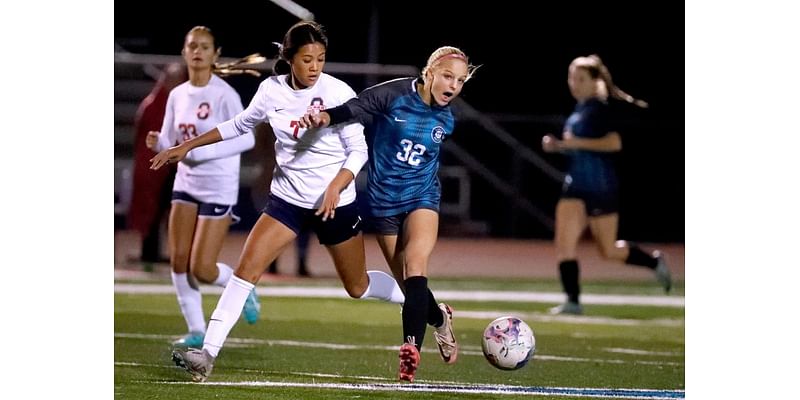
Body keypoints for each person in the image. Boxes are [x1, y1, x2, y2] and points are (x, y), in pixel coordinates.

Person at [150, 21, 405, 382]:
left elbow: (358, 149)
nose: (315, 66)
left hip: (336, 202)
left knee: (358, 287)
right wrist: (186, 145)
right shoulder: (271, 91)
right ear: (289, 58)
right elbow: (238, 125)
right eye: (307, 59)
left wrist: (336, 185)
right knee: (244, 273)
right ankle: (206, 354)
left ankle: (415, 302)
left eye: (321, 58)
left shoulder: (338, 92)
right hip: (286, 200)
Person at [299, 45, 480, 382]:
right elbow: (356, 107)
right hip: (383, 204)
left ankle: (409, 349)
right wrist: (325, 117)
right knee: (409, 284)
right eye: (447, 76)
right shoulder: (395, 94)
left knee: (415, 265)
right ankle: (440, 320)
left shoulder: (447, 118)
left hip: (422, 197)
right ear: (429, 73)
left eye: (459, 80)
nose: (453, 85)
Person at [145, 26, 261, 349]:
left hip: (218, 186)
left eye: (204, 47)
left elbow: (248, 137)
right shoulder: (177, 94)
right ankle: (196, 329)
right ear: (184, 52)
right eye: (192, 46)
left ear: (215, 54)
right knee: (178, 260)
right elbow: (172, 143)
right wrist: (159, 144)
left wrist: (201, 151)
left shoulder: (225, 95)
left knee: (202, 268)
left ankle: (244, 287)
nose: (197, 51)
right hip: (186, 182)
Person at [541, 54, 672, 315]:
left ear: (595, 81)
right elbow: (578, 148)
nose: (574, 84)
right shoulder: (580, 109)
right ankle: (573, 301)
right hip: (574, 185)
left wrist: (573, 143)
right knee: (564, 243)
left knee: (608, 250)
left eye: (580, 79)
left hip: (601, 186)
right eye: (571, 78)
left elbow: (614, 143)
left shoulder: (600, 108)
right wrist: (559, 146)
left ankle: (653, 262)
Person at [127, 63, 186, 271]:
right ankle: (150, 253)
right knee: (153, 210)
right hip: (155, 167)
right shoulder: (156, 104)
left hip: (168, 166)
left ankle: (163, 253)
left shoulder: (166, 102)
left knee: (171, 210)